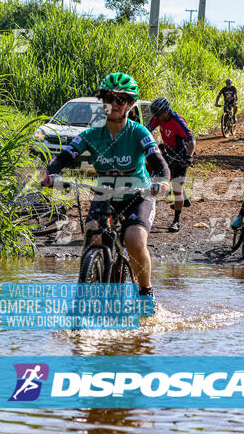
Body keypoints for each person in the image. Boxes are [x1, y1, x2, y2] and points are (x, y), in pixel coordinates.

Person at [42, 72, 170, 297]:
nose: (113, 104)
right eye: (108, 98)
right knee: (92, 233)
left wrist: (162, 182)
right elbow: (64, 157)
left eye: (120, 99)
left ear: (130, 104)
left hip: (138, 195)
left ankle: (145, 291)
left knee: (134, 239)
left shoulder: (138, 132)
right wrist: (51, 174)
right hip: (105, 195)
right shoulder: (91, 135)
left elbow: (159, 163)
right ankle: (87, 282)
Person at [147, 97, 196, 233]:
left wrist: (188, 158)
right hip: (168, 151)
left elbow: (192, 141)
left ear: (166, 112)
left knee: (176, 188)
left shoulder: (178, 121)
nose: (156, 118)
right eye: (155, 116)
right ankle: (184, 199)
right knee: (161, 175)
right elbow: (147, 130)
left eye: (158, 115)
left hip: (182, 154)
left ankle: (176, 221)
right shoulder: (158, 116)